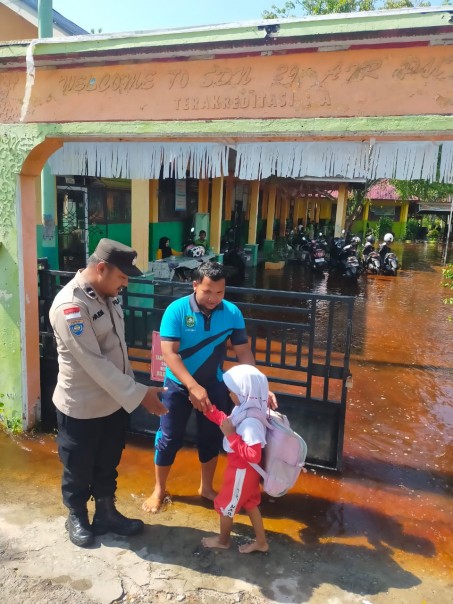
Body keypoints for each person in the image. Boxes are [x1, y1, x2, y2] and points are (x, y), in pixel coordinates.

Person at [49, 238, 168, 548]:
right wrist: (141, 394)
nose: (125, 284)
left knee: (107, 461)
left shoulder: (107, 296)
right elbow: (95, 364)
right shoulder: (71, 306)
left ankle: (106, 512)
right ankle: (76, 515)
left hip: (113, 403)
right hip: (82, 407)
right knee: (78, 465)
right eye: (122, 277)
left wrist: (132, 391)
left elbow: (119, 353)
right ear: (101, 268)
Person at [142, 262, 275, 513]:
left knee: (211, 437)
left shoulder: (232, 313)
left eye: (220, 292)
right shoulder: (176, 310)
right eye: (208, 291)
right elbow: (169, 353)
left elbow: (243, 351)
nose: (214, 298)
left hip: (214, 384)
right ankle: (159, 489)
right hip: (178, 385)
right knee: (169, 438)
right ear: (195, 285)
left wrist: (259, 387)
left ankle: (206, 487)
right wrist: (192, 386)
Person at [201, 364, 270, 554]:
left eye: (232, 391)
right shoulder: (246, 409)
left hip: (242, 472)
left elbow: (254, 456)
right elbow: (228, 422)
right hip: (244, 472)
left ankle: (223, 541)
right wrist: (210, 411)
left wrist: (231, 436)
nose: (230, 395)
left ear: (245, 392)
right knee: (250, 503)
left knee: (225, 506)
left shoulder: (251, 423)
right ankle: (261, 543)